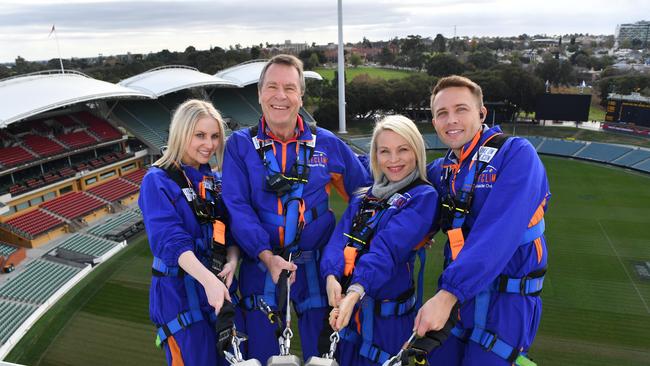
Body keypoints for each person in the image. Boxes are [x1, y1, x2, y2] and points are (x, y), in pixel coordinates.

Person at [222, 54, 370, 362]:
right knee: (262, 352)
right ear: (260, 94)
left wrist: (343, 245)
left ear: (300, 95)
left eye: (290, 88)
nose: (281, 96)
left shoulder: (327, 143)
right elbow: (237, 207)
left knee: (326, 351)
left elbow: (365, 194)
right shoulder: (240, 144)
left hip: (314, 263)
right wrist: (266, 255)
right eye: (272, 87)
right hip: (260, 262)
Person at [415, 75, 549, 366]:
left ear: (481, 113)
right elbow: (397, 179)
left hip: (504, 304)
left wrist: (448, 294)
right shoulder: (444, 170)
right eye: (442, 113)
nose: (451, 120)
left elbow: (499, 232)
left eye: (461, 109)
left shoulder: (515, 154)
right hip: (461, 299)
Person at [323, 115, 438, 365]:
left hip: (389, 324)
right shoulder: (364, 196)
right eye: (385, 151)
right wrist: (331, 276)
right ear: (375, 156)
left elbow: (386, 250)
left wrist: (354, 291)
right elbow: (338, 239)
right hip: (353, 318)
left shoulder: (423, 196)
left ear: (416, 151)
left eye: (403, 149)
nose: (394, 159)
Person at [139, 99, 240, 366]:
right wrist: (209, 281)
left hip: (216, 290)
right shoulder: (156, 181)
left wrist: (232, 261)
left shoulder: (213, 181)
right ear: (181, 133)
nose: (209, 144)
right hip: (179, 295)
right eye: (200, 135)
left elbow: (226, 232)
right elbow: (170, 242)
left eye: (215, 136)